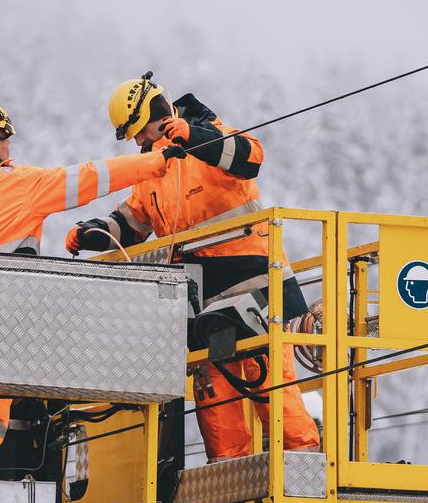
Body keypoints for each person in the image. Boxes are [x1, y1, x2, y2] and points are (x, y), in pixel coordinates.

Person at [0, 99, 179, 499]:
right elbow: (94, 177)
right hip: (0, 318)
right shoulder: (19, 185)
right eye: (5, 139)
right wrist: (158, 160)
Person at [66, 72, 320, 461]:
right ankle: (229, 475)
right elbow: (132, 223)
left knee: (267, 383)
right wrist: (95, 232)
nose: (138, 141)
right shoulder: (153, 170)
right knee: (214, 397)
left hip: (251, 284)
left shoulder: (211, 136)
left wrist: (194, 138)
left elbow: (251, 157)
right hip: (202, 301)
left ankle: (306, 465)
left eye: (140, 131)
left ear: (159, 112)